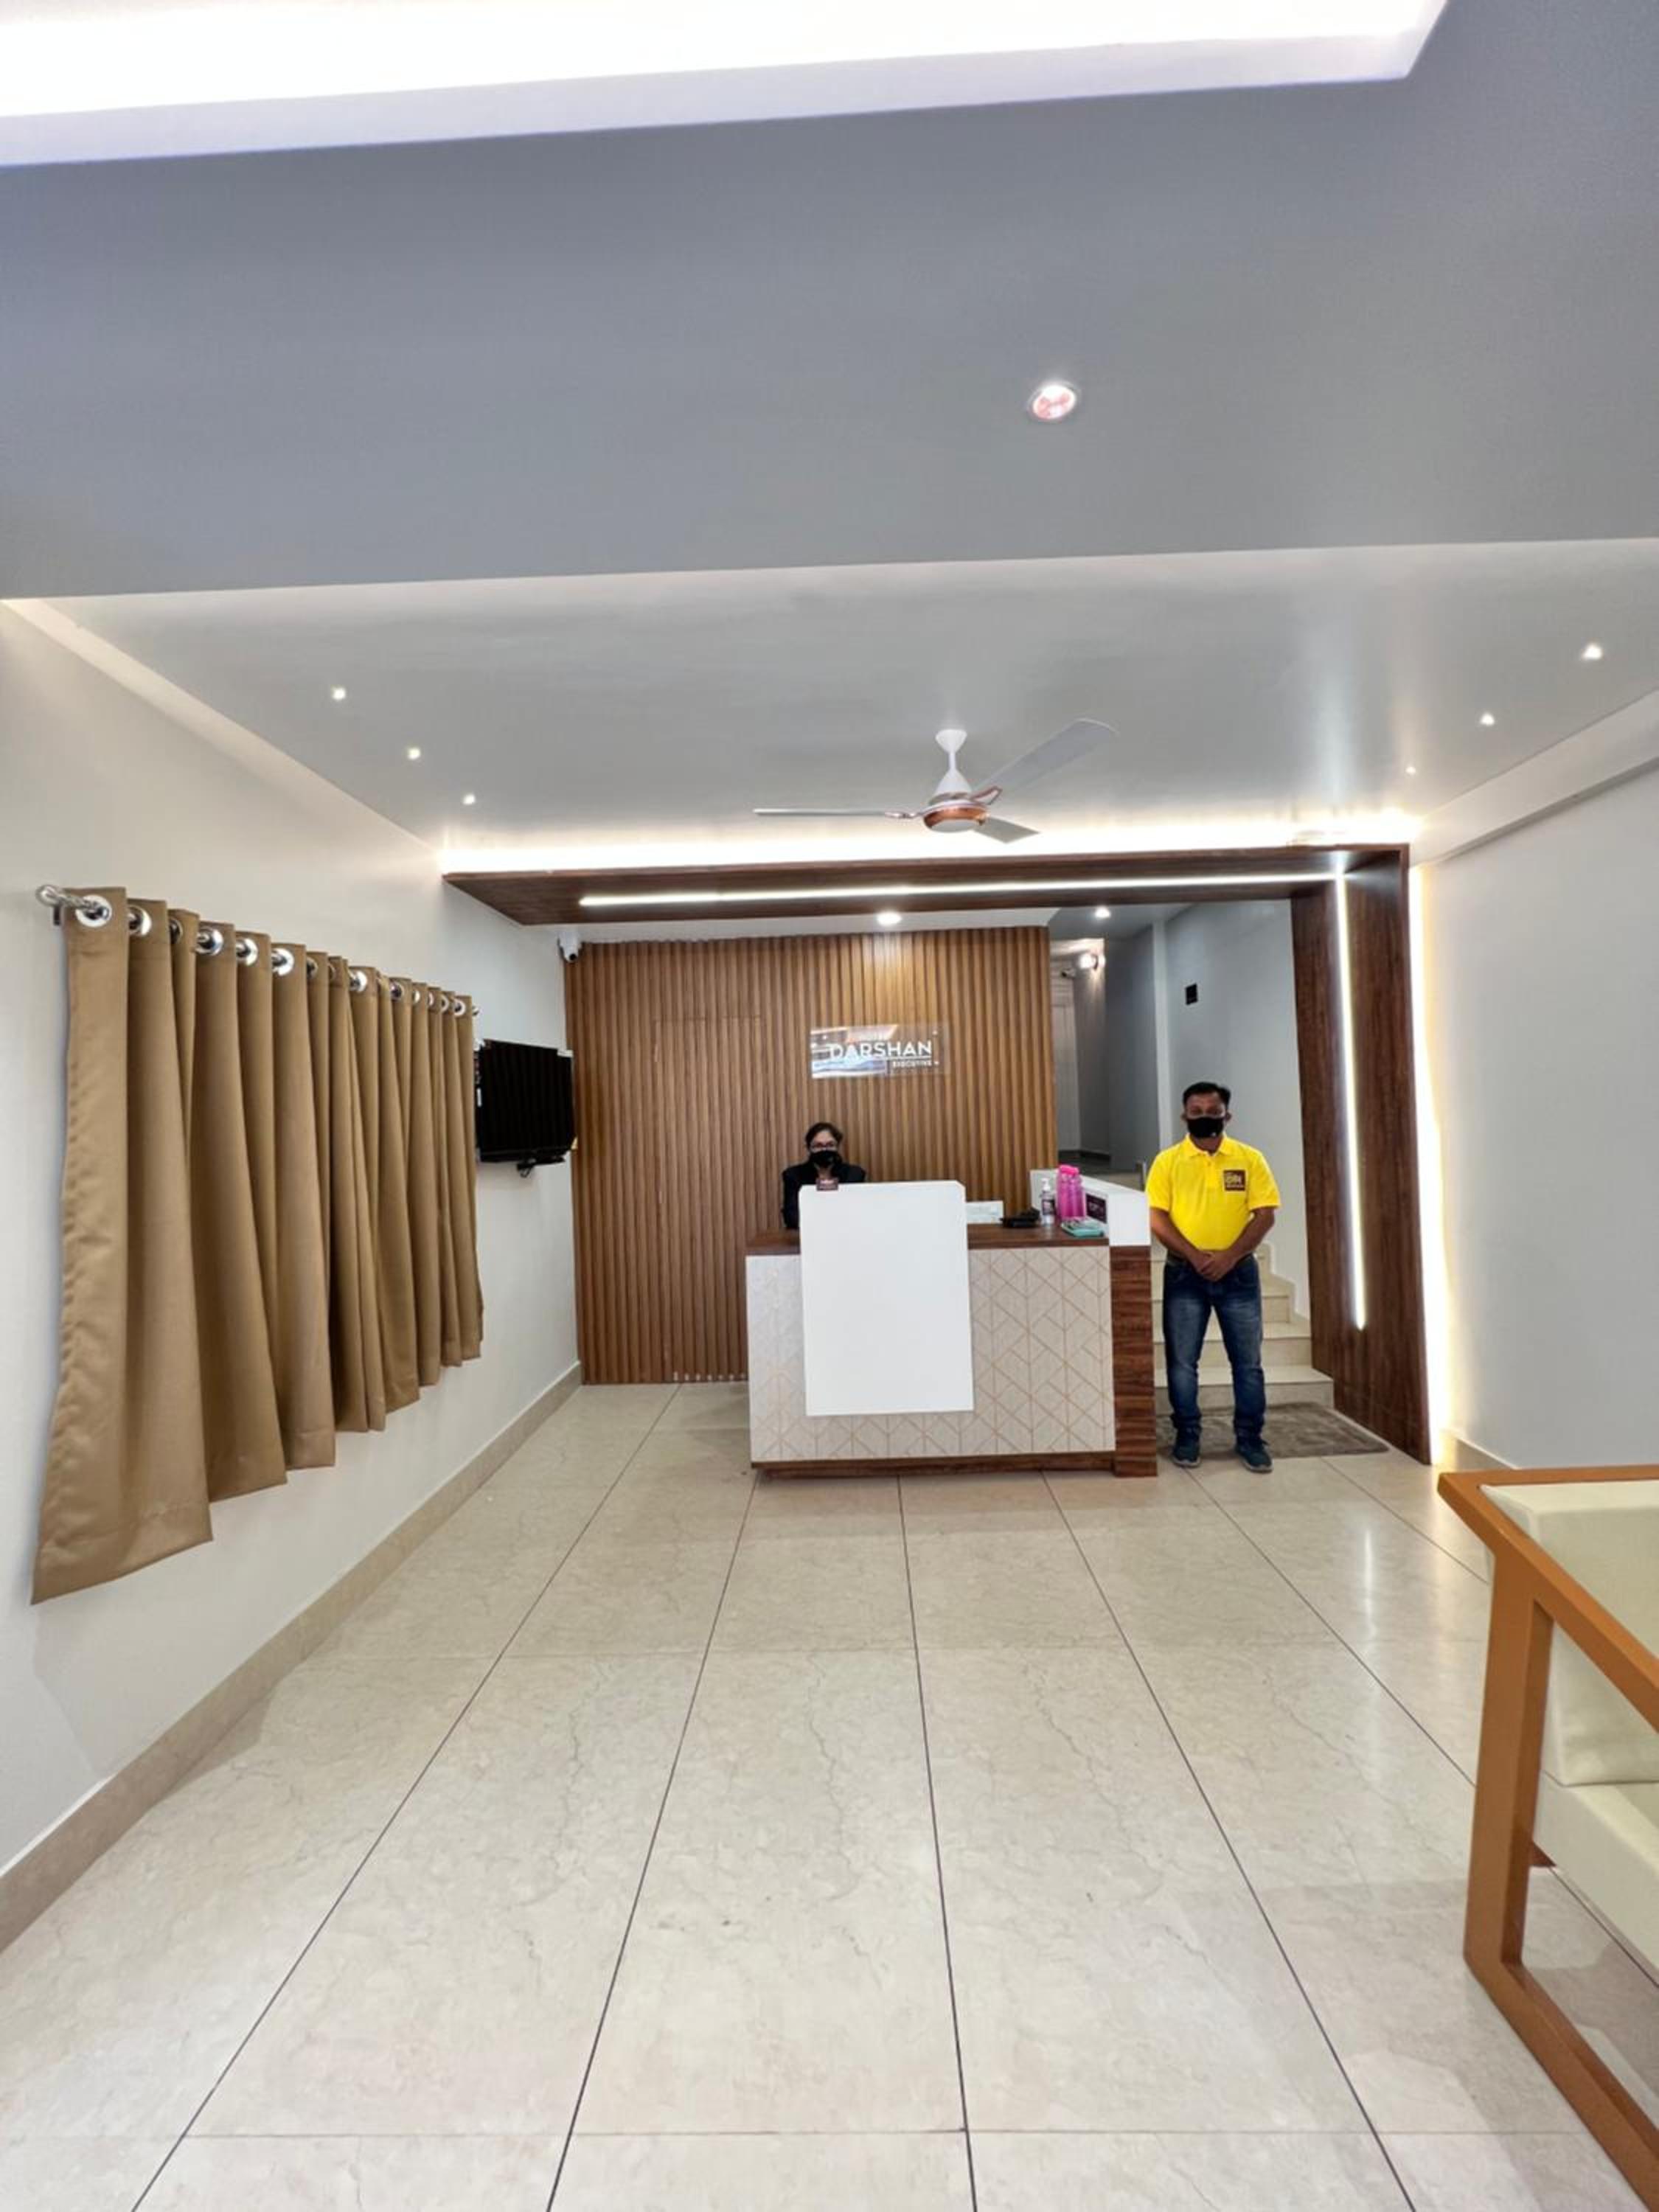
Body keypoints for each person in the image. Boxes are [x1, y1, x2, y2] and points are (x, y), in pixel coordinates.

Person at [1145, 1081, 1281, 1472]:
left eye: (1212, 1111)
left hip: (1239, 1274)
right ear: (1184, 1115)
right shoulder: (1167, 1162)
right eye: (1197, 1112)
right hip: (1183, 1274)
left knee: (1248, 1363)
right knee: (1182, 1362)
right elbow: (1157, 1217)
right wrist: (1195, 1256)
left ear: (1227, 1115)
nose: (1205, 1117)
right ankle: (1187, 1436)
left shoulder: (1249, 1159)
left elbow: (1265, 1215)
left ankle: (1250, 1439)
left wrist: (1229, 1257)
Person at [780, 1121, 868, 1230]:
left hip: (846, 1231)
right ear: (809, 1148)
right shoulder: (793, 1175)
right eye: (818, 1146)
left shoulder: (855, 1174)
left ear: (837, 1146)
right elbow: (791, 1216)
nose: (825, 1150)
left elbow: (859, 1212)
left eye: (830, 1145)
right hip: (808, 1233)